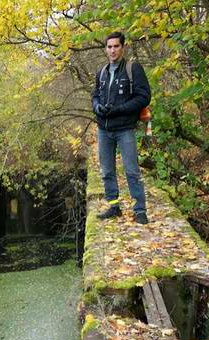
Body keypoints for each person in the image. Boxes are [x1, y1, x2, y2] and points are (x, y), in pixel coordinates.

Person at [91, 31, 152, 225]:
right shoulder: (101, 72)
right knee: (107, 170)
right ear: (105, 49)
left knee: (131, 170)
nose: (112, 50)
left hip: (125, 128)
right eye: (109, 47)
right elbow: (95, 96)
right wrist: (97, 107)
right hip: (104, 128)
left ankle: (140, 210)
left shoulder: (132, 69)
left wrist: (119, 110)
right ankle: (114, 206)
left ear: (123, 47)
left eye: (116, 46)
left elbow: (143, 97)